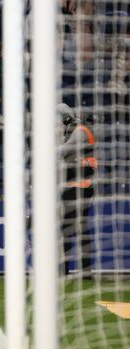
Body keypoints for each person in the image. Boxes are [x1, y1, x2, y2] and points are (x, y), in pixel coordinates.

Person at [59, 104, 96, 275]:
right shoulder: (75, 131)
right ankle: (84, 269)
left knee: (69, 227)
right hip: (75, 185)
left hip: (79, 186)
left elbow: (62, 153)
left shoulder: (80, 132)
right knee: (79, 227)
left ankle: (66, 269)